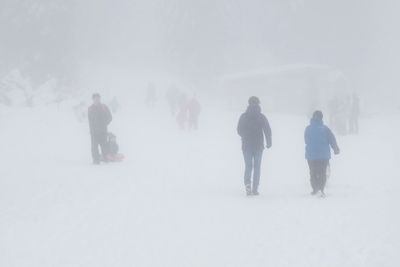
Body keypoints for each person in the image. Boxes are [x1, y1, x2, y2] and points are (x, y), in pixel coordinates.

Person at [237, 96, 272, 196]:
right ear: (258, 104)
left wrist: (245, 135)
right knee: (257, 167)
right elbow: (267, 130)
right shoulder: (261, 117)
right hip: (258, 145)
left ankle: (248, 184)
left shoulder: (244, 116)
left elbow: (239, 130)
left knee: (248, 166)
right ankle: (255, 188)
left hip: (246, 145)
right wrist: (269, 141)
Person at [305, 110, 340, 197]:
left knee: (313, 172)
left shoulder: (308, 129)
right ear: (321, 118)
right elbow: (332, 139)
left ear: (313, 117)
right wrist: (335, 149)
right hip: (323, 156)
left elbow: (306, 140)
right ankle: (321, 189)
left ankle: (315, 189)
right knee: (322, 172)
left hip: (311, 155)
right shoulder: (325, 129)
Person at [88, 93, 112, 165]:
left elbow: (110, 117)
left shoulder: (104, 107)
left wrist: (104, 124)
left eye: (98, 98)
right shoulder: (90, 109)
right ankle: (96, 160)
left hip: (103, 131)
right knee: (94, 147)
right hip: (94, 132)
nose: (97, 100)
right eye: (95, 99)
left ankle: (105, 158)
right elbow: (90, 120)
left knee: (104, 145)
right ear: (93, 100)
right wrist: (92, 129)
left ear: (100, 99)